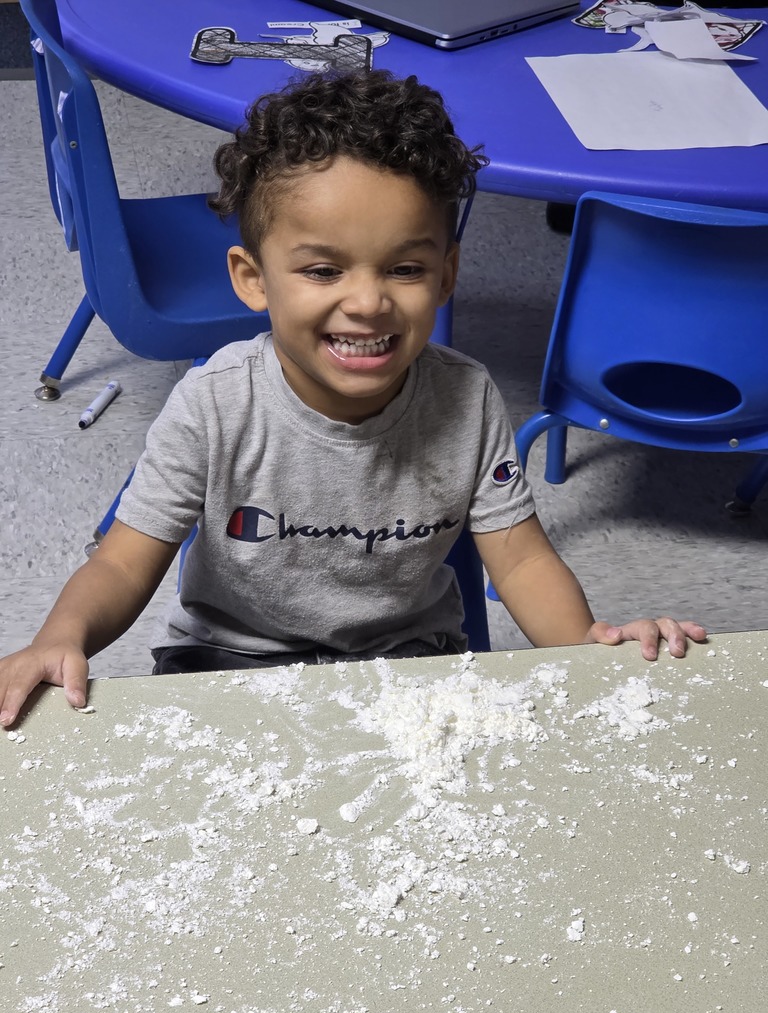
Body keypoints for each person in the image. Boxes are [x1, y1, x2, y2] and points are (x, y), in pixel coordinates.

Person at [0, 70, 706, 728]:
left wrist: (586, 647)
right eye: (322, 269)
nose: (367, 302)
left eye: (405, 268)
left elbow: (520, 560)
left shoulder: (466, 396)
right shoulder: (212, 404)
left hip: (406, 657)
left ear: (447, 272)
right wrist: (61, 638)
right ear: (252, 279)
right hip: (230, 658)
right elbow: (123, 562)